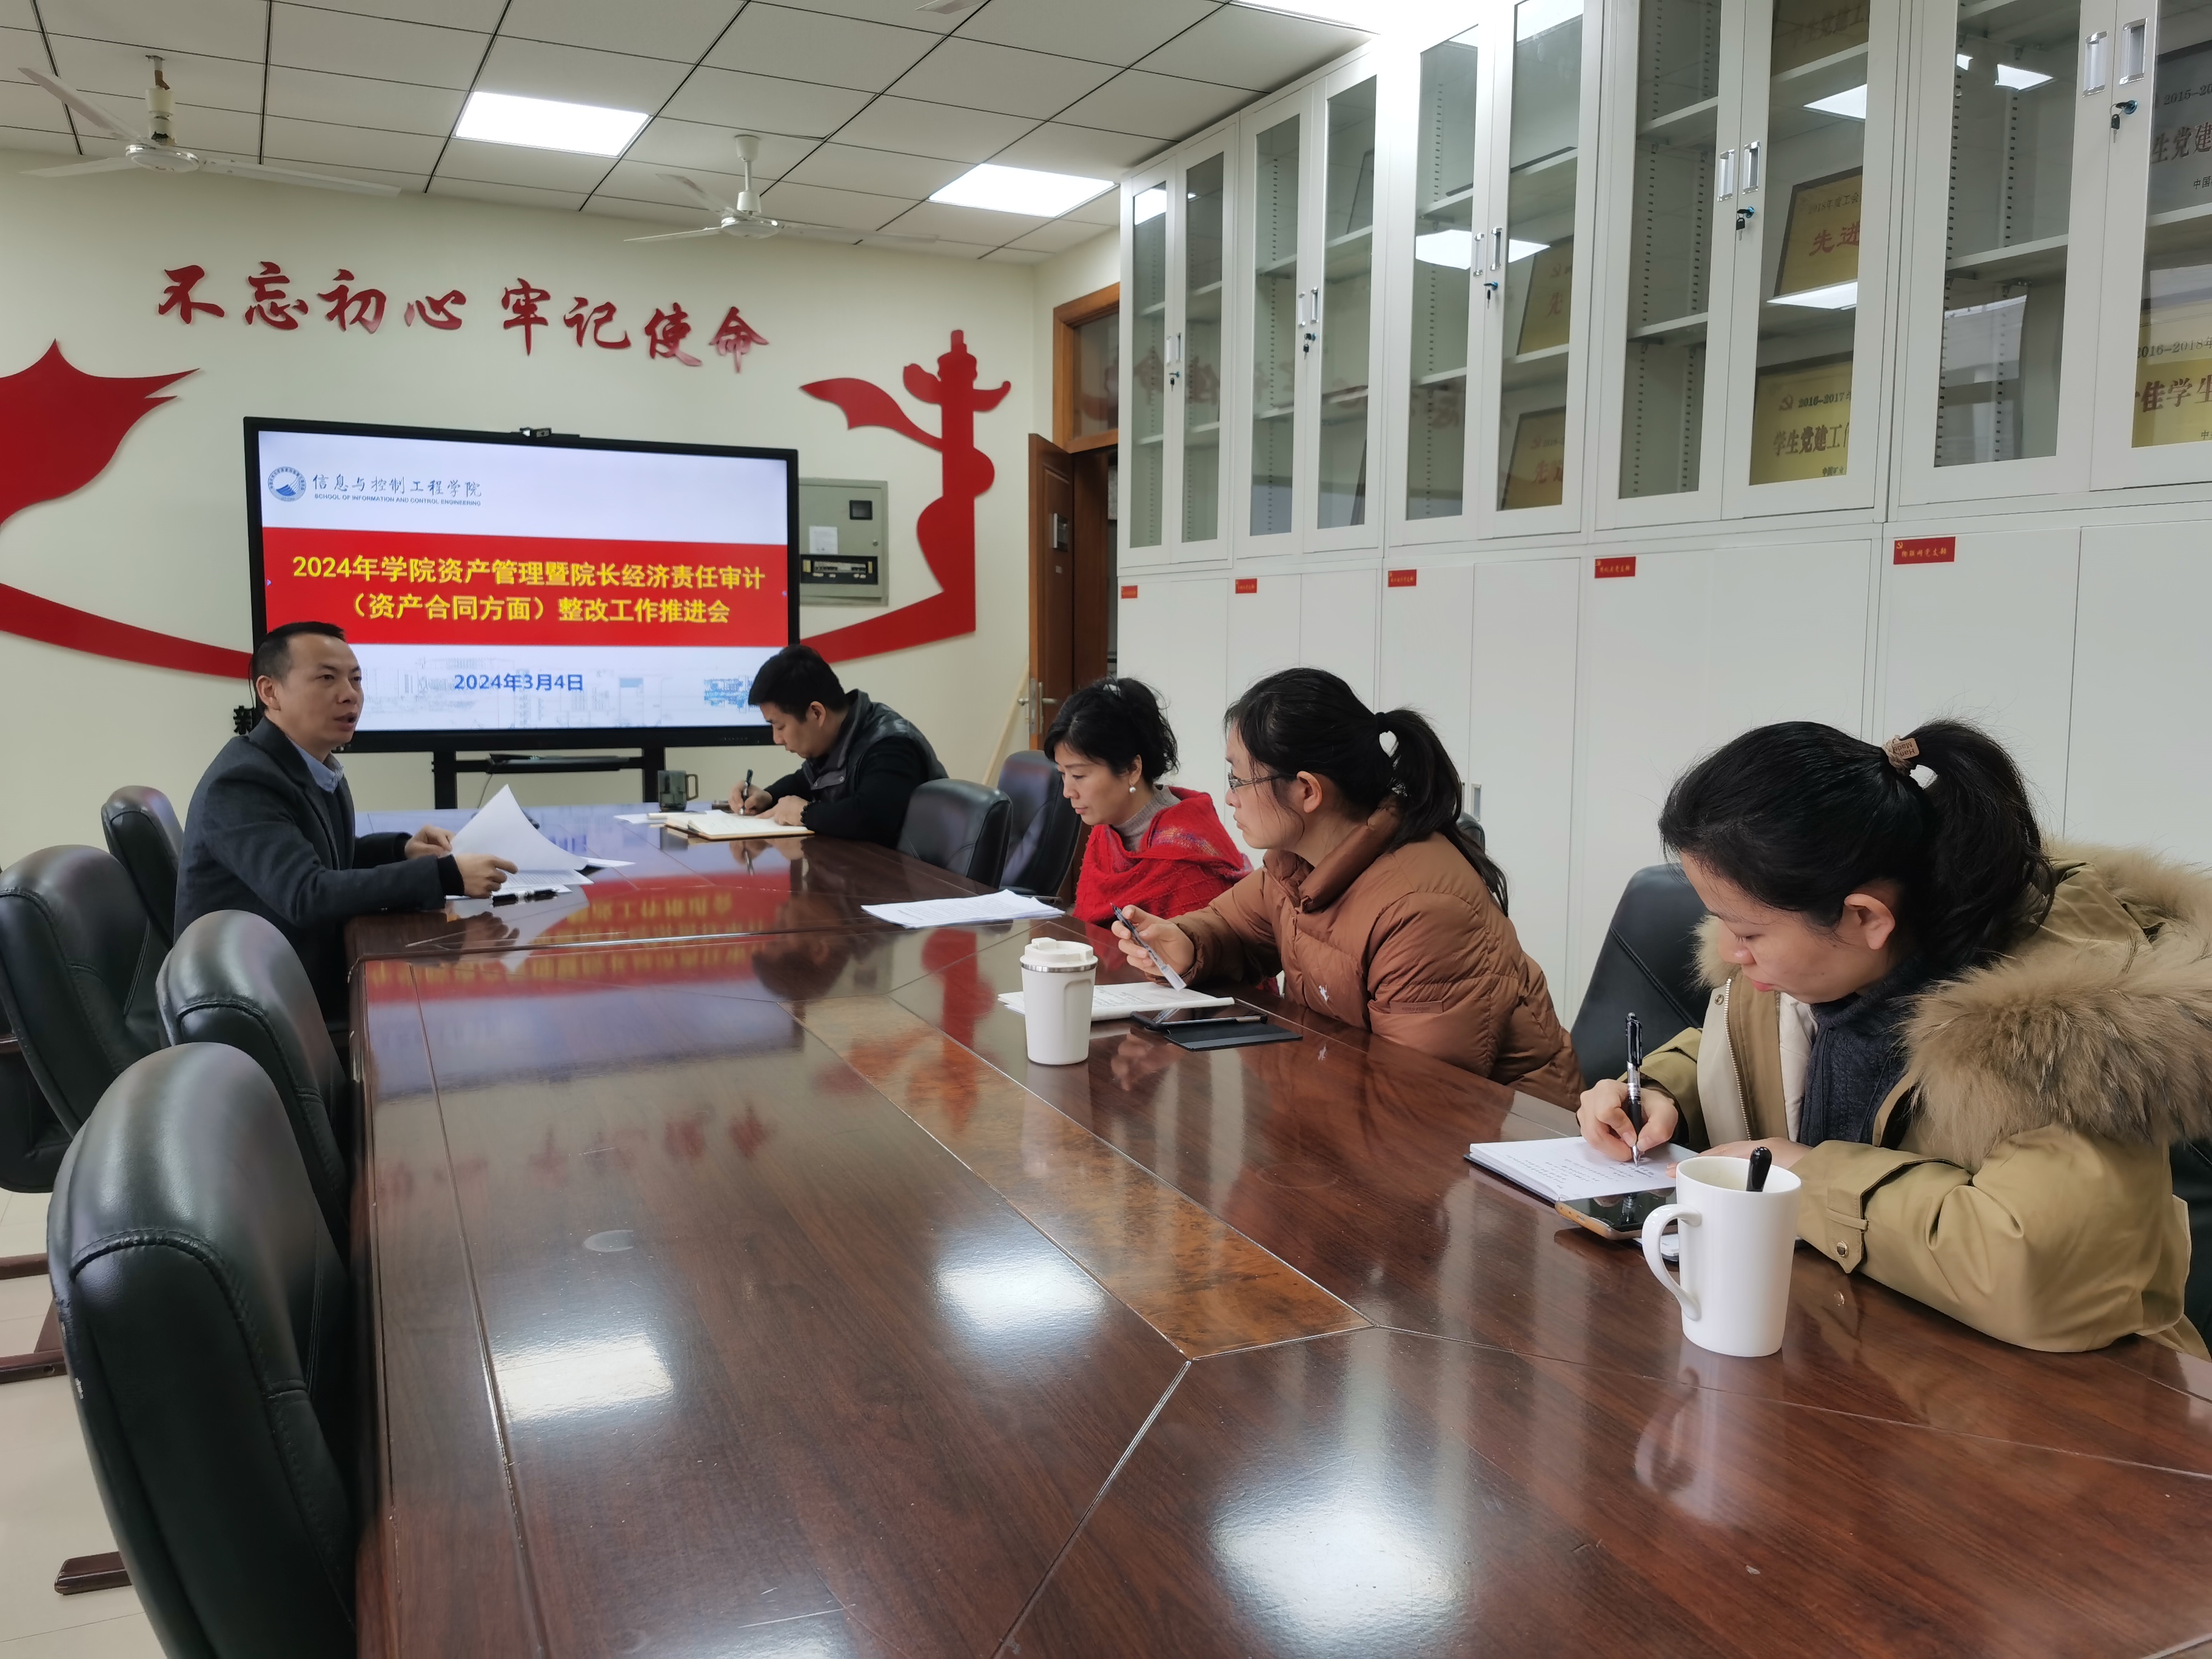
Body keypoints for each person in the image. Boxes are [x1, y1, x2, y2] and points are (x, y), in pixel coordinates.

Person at [1575, 719, 2212, 1356]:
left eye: (1747, 932)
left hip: (2075, 1396)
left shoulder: (2062, 1037)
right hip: (1849, 1343)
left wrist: (1810, 1179)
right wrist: (1662, 1092)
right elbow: (1756, 1042)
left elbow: (2044, 1281)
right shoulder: (1821, 969)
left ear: (1864, 917)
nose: (1728, 952)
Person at [1111, 668, 1583, 1104]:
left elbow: (1417, 1098)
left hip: (1510, 1140)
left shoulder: (1421, 911)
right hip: (1361, 1110)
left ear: (1308, 791)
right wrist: (1185, 945)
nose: (1230, 797)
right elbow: (1232, 927)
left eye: (1239, 778)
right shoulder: (1296, 865)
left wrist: (1276, 1073)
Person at [175, 621, 514, 1021]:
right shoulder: (242, 782)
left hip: (300, 980)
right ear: (270, 692)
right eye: (327, 678)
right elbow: (306, 893)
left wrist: (402, 850)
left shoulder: (310, 764)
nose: (349, 694)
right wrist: (445, 876)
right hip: (256, 1009)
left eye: (356, 679)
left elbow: (324, 855)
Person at [1045, 677, 1245, 925]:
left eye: (1078, 776)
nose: (1068, 792)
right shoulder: (1106, 833)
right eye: (1062, 774)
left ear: (1132, 769)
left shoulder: (1186, 853)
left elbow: (1201, 946)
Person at [734, 645, 945, 845]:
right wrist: (768, 797)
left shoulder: (891, 745)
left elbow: (871, 817)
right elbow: (805, 781)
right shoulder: (837, 739)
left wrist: (805, 813)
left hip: (911, 870)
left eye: (780, 726)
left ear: (817, 713)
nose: (777, 739)